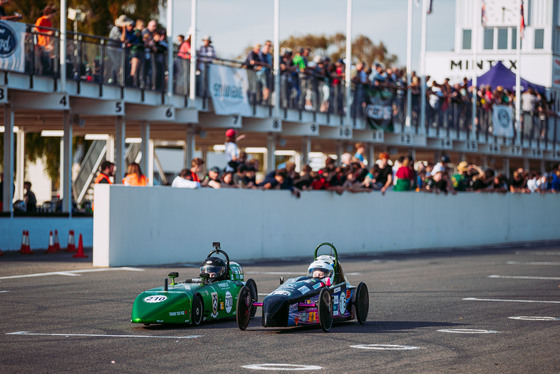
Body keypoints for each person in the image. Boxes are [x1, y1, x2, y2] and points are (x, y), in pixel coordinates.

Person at [34, 5, 56, 75]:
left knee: (48, 63)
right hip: (40, 44)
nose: (53, 15)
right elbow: (36, 31)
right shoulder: (41, 20)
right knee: (41, 62)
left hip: (47, 45)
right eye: (52, 13)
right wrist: (47, 33)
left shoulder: (49, 22)